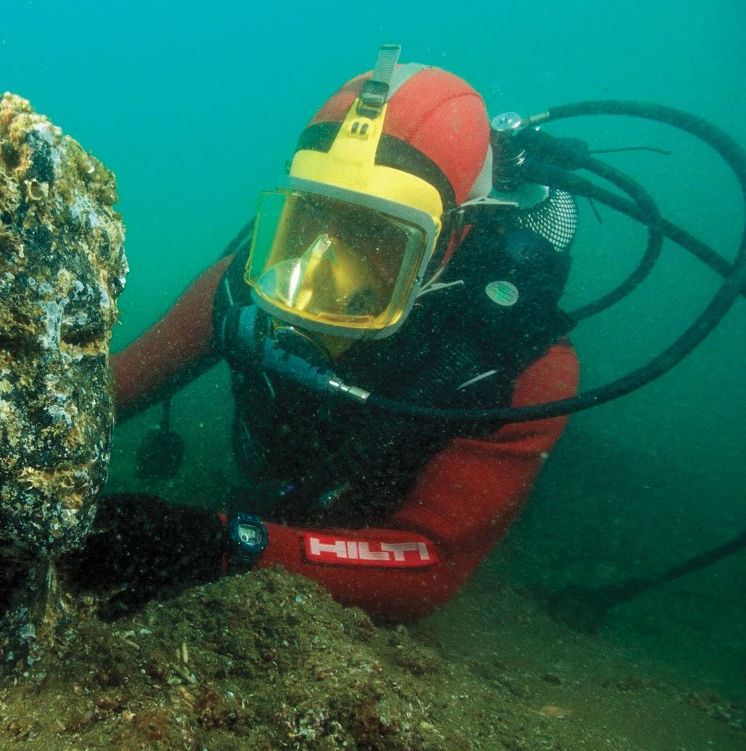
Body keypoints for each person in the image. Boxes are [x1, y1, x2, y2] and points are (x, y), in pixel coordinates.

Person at [70, 45, 581, 621]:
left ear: (450, 241)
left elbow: (428, 566)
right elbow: (105, 395)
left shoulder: (518, 366)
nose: (314, 274)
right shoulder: (244, 285)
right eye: (309, 219)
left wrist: (223, 544)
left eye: (375, 235)